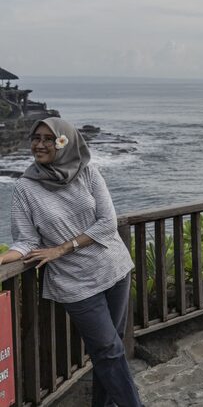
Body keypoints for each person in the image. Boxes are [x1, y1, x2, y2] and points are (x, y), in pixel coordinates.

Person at [0, 118, 141, 407]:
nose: (40, 144)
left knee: (109, 350)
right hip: (74, 283)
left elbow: (108, 223)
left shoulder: (88, 171)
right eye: (36, 138)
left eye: (48, 139)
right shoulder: (25, 188)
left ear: (65, 142)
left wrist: (62, 248)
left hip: (113, 268)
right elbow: (26, 240)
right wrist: (3, 258)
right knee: (108, 349)